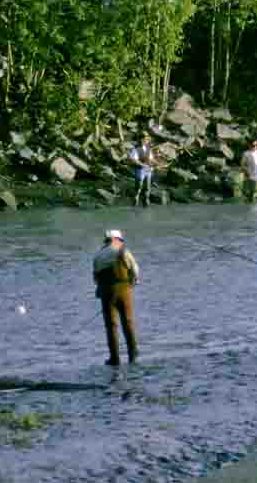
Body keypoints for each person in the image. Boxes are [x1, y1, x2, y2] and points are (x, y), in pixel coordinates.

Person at [92, 230, 139, 366]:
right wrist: (134, 281)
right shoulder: (122, 250)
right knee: (128, 321)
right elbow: (134, 269)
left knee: (111, 326)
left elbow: (95, 278)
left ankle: (115, 358)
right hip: (124, 289)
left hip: (106, 293)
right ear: (116, 239)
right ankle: (133, 354)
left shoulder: (98, 255)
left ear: (106, 241)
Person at [131, 136, 159, 207]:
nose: (147, 141)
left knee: (148, 186)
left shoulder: (148, 149)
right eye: (145, 139)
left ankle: (146, 199)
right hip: (140, 169)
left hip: (148, 169)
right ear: (141, 140)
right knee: (139, 185)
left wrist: (158, 163)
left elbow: (151, 159)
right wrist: (143, 165)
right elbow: (134, 160)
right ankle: (136, 198)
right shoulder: (136, 149)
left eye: (147, 140)